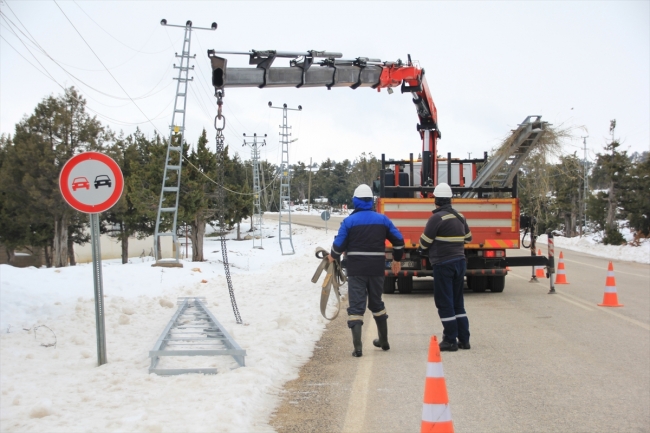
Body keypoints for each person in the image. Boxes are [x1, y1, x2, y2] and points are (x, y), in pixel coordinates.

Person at [328, 184, 404, 357]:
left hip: (356, 270)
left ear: (355, 201)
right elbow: (399, 241)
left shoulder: (348, 222)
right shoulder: (383, 220)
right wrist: (397, 259)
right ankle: (383, 341)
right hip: (377, 269)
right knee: (377, 303)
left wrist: (332, 256)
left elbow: (338, 245)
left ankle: (358, 347)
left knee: (356, 306)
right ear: (372, 201)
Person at [419, 183, 473, 351]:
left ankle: (450, 340)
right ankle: (464, 339)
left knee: (444, 302)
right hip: (460, 262)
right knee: (458, 302)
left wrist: (422, 249)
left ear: (436, 200)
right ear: (450, 199)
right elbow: (469, 238)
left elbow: (424, 242)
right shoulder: (460, 217)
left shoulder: (436, 218)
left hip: (443, 264)